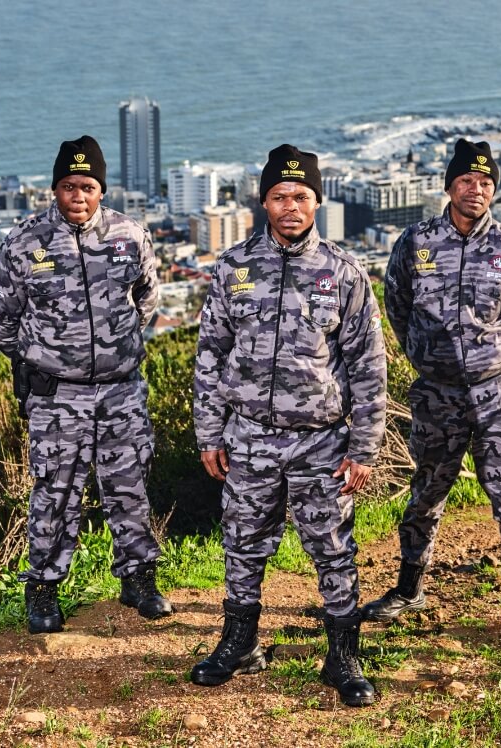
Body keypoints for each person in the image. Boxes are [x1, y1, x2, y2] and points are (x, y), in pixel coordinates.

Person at [190, 144, 387, 707]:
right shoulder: (233, 268)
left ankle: (342, 656)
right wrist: (209, 432)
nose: (291, 205)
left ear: (317, 202)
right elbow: (210, 354)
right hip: (248, 436)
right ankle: (240, 642)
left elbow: (369, 366)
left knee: (331, 548)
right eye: (280, 196)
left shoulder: (344, 273)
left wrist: (364, 447)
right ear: (264, 202)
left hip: (322, 441)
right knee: (242, 544)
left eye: (301, 196)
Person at [0, 136, 171, 634]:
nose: (78, 196)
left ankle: (139, 579)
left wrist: (118, 344)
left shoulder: (129, 236)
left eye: (87, 186)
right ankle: (43, 588)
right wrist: (40, 358)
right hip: (57, 395)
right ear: (55, 188)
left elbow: (148, 297)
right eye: (69, 186)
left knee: (128, 487)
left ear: (101, 190)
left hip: (120, 389)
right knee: (54, 493)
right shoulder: (26, 242)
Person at [365, 139, 501, 647]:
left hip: (499, 395)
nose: (477, 190)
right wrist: (426, 358)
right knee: (426, 491)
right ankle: (409, 587)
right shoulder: (415, 242)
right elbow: (396, 307)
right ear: (448, 186)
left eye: (486, 183)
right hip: (436, 394)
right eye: (468, 181)